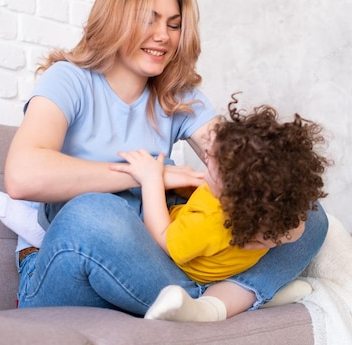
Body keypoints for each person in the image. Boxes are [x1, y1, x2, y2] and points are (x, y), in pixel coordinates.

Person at [2, 0, 330, 318]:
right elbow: (22, 177)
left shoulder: (177, 94)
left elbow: (249, 166)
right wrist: (149, 175)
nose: (164, 36)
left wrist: (271, 225)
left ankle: (213, 303)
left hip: (157, 264)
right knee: (93, 212)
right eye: (150, 20)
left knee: (307, 212)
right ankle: (231, 297)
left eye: (174, 25)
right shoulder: (68, 79)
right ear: (115, 19)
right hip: (68, 264)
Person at [111, 97, 330, 322]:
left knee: (132, 201)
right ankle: (249, 295)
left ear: (230, 191)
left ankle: (210, 303)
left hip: (188, 264)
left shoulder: (211, 221)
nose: (206, 155)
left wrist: (151, 181)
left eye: (214, 161)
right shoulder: (281, 219)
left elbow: (163, 238)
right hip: (227, 262)